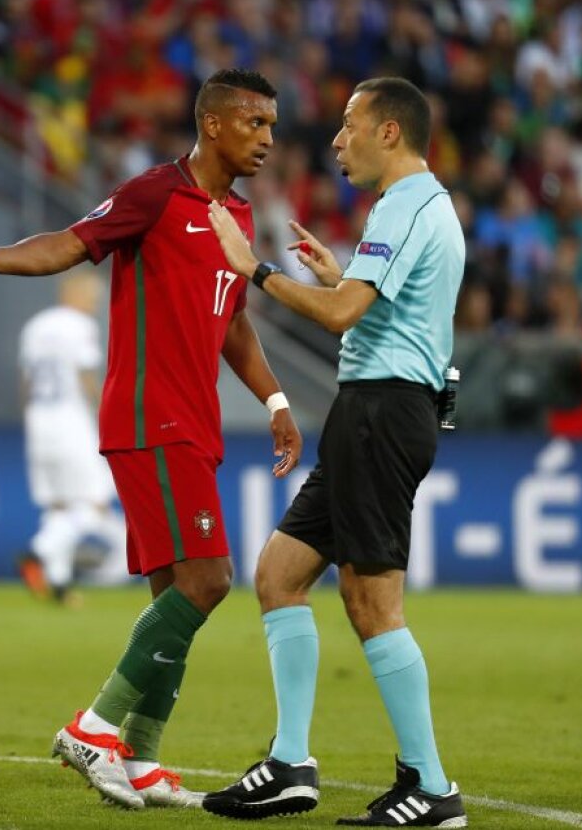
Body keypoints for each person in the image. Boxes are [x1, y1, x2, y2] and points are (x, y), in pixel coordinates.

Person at [0, 68, 302, 810]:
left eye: (272, 124)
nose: (268, 138)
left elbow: (232, 319)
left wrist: (272, 396)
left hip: (193, 422)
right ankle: (94, 726)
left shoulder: (234, 214)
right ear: (212, 124)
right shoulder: (155, 195)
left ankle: (139, 759)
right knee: (210, 581)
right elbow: (73, 243)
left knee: (175, 590)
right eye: (254, 122)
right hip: (149, 417)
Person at [200, 76, 467, 827]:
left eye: (350, 126)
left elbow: (344, 315)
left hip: (383, 414)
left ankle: (433, 785)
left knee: (372, 603)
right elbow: (369, 307)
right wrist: (335, 277)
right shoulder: (417, 209)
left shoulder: (409, 204)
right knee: (279, 574)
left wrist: (250, 266)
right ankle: (290, 763)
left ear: (390, 133)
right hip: (374, 409)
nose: (337, 140)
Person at [17, 270, 129, 605]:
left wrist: (30, 420)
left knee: (59, 505)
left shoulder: (34, 326)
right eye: (93, 297)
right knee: (94, 502)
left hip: (38, 419)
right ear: (76, 294)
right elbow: (85, 376)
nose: (95, 304)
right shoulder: (80, 326)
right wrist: (105, 418)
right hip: (71, 419)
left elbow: (24, 383)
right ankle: (38, 551)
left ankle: (59, 585)